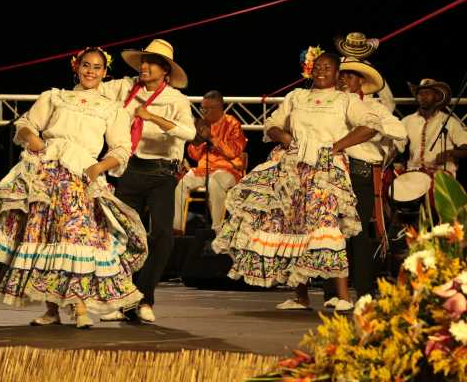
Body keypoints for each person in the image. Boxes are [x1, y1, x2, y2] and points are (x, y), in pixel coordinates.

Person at [0, 47, 148, 329]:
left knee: (75, 238)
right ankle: (52, 310)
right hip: (46, 173)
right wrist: (32, 137)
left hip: (81, 177)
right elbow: (26, 124)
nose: (90, 71)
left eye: (97, 67)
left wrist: (99, 168)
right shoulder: (54, 97)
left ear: (104, 72)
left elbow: (121, 149)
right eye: (86, 65)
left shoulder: (112, 109)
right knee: (44, 238)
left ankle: (79, 307)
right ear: (76, 67)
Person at [213, 52, 403, 312]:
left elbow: (370, 126)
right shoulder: (297, 97)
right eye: (318, 67)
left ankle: (343, 296)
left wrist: (336, 147)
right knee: (292, 225)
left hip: (325, 169)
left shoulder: (345, 100)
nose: (321, 71)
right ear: (311, 71)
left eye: (328, 67)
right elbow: (272, 123)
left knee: (327, 226)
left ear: (337, 74)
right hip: (293, 167)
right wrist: (285, 137)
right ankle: (301, 296)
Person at [98, 39, 195, 322]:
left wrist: (151, 116)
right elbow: (94, 88)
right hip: (130, 168)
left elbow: (189, 133)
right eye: (143, 61)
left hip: (162, 172)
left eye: (152, 62)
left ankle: (144, 297)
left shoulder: (176, 99)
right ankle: (123, 299)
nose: (144, 66)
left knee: (162, 234)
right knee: (123, 234)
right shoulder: (126, 88)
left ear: (165, 70)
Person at [321, 57, 406, 308]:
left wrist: (371, 130)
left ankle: (364, 292)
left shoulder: (373, 107)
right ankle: (333, 293)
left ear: (361, 81)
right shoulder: (330, 105)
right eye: (341, 75)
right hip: (331, 172)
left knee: (358, 234)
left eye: (350, 76)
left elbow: (400, 133)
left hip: (360, 173)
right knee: (330, 233)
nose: (343, 79)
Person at [173, 90, 247, 235]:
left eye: (207, 109)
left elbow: (234, 151)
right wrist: (198, 141)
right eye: (202, 108)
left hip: (228, 170)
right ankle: (177, 229)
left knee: (214, 182)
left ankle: (216, 231)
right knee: (181, 183)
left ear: (218, 108)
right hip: (203, 170)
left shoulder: (232, 123)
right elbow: (194, 155)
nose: (203, 112)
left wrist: (212, 138)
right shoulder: (202, 124)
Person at [397, 78, 467, 177]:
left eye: (427, 93)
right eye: (420, 93)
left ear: (437, 96)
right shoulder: (407, 121)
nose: (423, 96)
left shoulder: (450, 122)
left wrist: (450, 153)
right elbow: (397, 146)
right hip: (414, 174)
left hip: (441, 176)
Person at [334, 32, 396, 113]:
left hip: (362, 112)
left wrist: (377, 117)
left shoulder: (370, 69)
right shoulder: (333, 64)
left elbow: (389, 101)